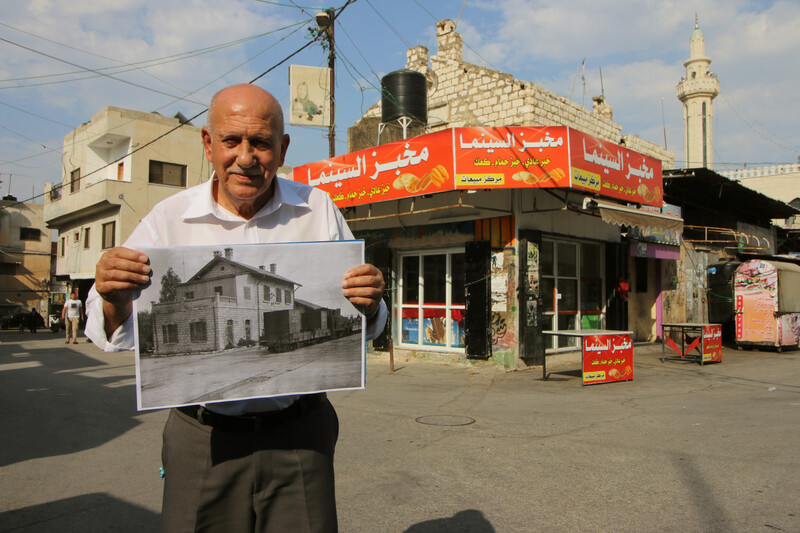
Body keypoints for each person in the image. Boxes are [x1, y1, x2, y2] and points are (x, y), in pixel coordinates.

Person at [84, 83, 387, 533]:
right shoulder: (169, 219)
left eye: (261, 143)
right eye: (232, 141)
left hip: (300, 435)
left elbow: (367, 323)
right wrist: (112, 296)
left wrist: (371, 301)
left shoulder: (317, 209)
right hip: (201, 440)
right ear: (209, 144)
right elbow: (108, 330)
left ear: (282, 149)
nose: (246, 157)